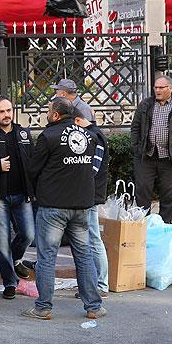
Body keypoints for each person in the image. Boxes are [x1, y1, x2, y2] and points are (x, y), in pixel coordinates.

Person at [22, 97, 105, 321]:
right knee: (84, 255)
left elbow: (33, 169)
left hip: (53, 206)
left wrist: (35, 191)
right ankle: (94, 306)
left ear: (56, 115)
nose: (47, 114)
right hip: (82, 205)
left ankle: (43, 308)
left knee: (47, 257)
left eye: (49, 110)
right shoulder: (88, 135)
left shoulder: (48, 136)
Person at [0, 96, 35, 300]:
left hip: (21, 194)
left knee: (28, 234)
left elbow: (33, 160)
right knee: (1, 242)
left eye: (8, 110)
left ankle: (14, 260)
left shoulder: (23, 133)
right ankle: (9, 282)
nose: (6, 115)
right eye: (0, 111)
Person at [130, 75, 172, 224]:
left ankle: (164, 227)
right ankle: (142, 227)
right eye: (155, 87)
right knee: (142, 192)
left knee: (168, 195)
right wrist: (136, 147)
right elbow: (135, 127)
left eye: (161, 87)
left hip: (171, 159)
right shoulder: (145, 104)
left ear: (170, 88)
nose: (157, 90)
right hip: (146, 156)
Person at [75, 109, 110, 297]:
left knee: (94, 239)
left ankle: (101, 285)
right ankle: (95, 284)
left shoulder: (94, 137)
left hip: (90, 196)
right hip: (89, 195)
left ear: (78, 120)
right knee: (90, 240)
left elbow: (92, 169)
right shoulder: (95, 134)